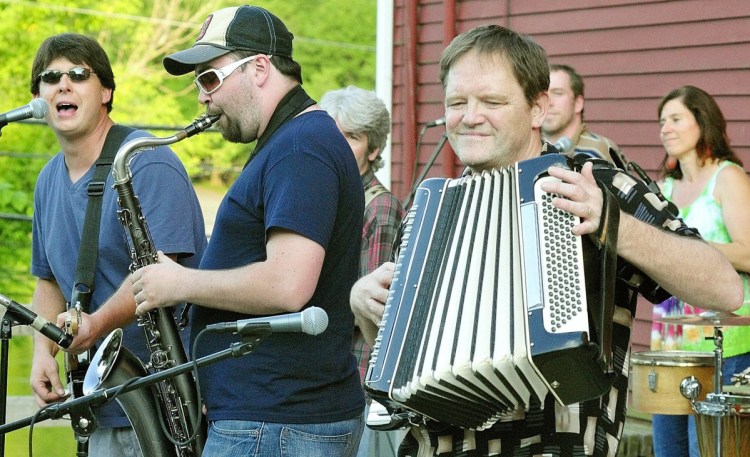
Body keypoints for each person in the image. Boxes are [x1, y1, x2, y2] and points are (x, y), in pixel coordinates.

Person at [349, 25, 744, 457]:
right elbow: (401, 368)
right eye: (457, 102)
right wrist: (367, 308)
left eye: (493, 102)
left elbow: (721, 287)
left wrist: (613, 223)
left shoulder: (592, 182)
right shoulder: (431, 212)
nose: (469, 116)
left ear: (537, 108)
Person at [130, 5, 365, 456]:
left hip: (276, 422)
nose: (201, 97)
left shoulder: (300, 147)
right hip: (271, 419)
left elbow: (287, 285)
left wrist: (180, 283)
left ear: (259, 68)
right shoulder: (293, 141)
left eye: (209, 78)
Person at [28, 33, 207, 456]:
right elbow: (48, 280)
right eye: (50, 77)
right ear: (38, 97)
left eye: (78, 74)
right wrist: (42, 351)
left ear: (106, 91)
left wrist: (95, 326)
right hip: (95, 403)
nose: (62, 85)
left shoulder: (145, 161)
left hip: (165, 401)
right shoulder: (46, 180)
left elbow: (160, 270)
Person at [649, 85, 750, 457]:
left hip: (725, 348)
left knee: (708, 450)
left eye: (676, 119)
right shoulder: (663, 191)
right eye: (662, 121)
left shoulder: (728, 178)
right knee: (668, 451)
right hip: (671, 347)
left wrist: (690, 249)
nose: (665, 128)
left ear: (702, 122)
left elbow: (749, 253)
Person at [320, 86, 407, 457]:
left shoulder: (380, 207)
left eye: (351, 137)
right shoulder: (325, 195)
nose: (338, 146)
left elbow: (373, 312)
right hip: (315, 372)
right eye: (333, 135)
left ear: (373, 150)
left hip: (351, 380)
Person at [542, 64, 620, 163]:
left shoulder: (600, 151)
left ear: (578, 103)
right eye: (543, 95)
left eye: (558, 93)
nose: (548, 102)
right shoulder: (528, 150)